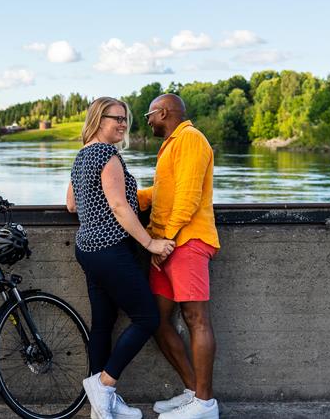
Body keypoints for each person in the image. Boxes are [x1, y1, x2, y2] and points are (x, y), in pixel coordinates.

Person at [67, 96, 175, 419]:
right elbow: (119, 207)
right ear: (100, 119)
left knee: (103, 323)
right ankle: (104, 385)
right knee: (147, 318)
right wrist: (151, 243)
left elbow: (71, 205)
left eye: (126, 118)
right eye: (118, 118)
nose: (124, 124)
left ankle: (101, 408)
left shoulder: (82, 155)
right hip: (110, 250)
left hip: (87, 249)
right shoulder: (106, 155)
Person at [137, 94, 220, 419]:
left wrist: (166, 240)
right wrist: (119, 192)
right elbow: (164, 192)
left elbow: (188, 195)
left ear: (164, 112)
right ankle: (192, 391)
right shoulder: (172, 144)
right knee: (157, 321)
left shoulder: (191, 139)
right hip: (166, 245)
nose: (147, 120)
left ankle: (205, 404)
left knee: (196, 319)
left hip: (186, 242)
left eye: (149, 115)